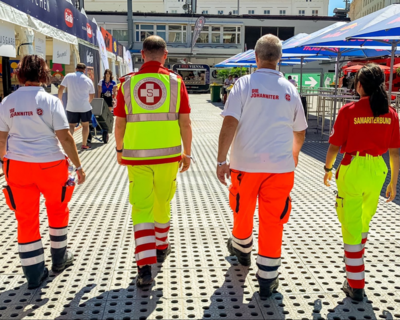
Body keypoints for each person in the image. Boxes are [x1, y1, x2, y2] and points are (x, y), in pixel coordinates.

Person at [216, 34, 307, 298]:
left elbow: (229, 123)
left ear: (256, 57)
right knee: (273, 220)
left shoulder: (243, 84)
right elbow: (300, 131)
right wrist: (295, 153)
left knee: (242, 210)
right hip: (280, 168)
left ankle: (242, 251)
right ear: (280, 59)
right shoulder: (290, 88)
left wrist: (222, 160)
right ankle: (267, 278)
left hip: (246, 165)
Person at [0, 55, 86, 289]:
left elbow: (1, 138)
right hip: (50, 165)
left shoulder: (7, 102)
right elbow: (65, 137)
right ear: (43, 74)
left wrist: (3, 163)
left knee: (25, 218)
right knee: (57, 209)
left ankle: (34, 275)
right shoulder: (50, 101)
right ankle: (59, 260)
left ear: (20, 74)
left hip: (17, 167)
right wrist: (78, 167)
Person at [114, 35, 193, 287]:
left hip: (137, 158)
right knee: (163, 202)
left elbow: (119, 122)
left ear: (143, 55)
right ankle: (161, 247)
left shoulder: (126, 84)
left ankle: (145, 266)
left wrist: (119, 149)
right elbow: (185, 122)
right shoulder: (175, 81)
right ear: (165, 55)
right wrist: (187, 153)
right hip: (168, 156)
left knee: (141, 208)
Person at [324, 64, 400, 301]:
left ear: (359, 85)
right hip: (378, 169)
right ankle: (355, 265)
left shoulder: (349, 110)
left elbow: (335, 145)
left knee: (350, 224)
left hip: (353, 167)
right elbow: (395, 152)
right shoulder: (390, 112)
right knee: (363, 220)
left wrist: (327, 168)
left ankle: (356, 283)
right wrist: (393, 182)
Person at [58, 63, 95, 150]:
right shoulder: (88, 80)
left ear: (75, 68)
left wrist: (59, 100)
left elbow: (61, 88)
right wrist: (88, 102)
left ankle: (68, 145)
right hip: (84, 107)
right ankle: (84, 144)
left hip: (71, 106)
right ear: (84, 70)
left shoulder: (68, 76)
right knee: (85, 126)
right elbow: (92, 95)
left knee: (71, 126)